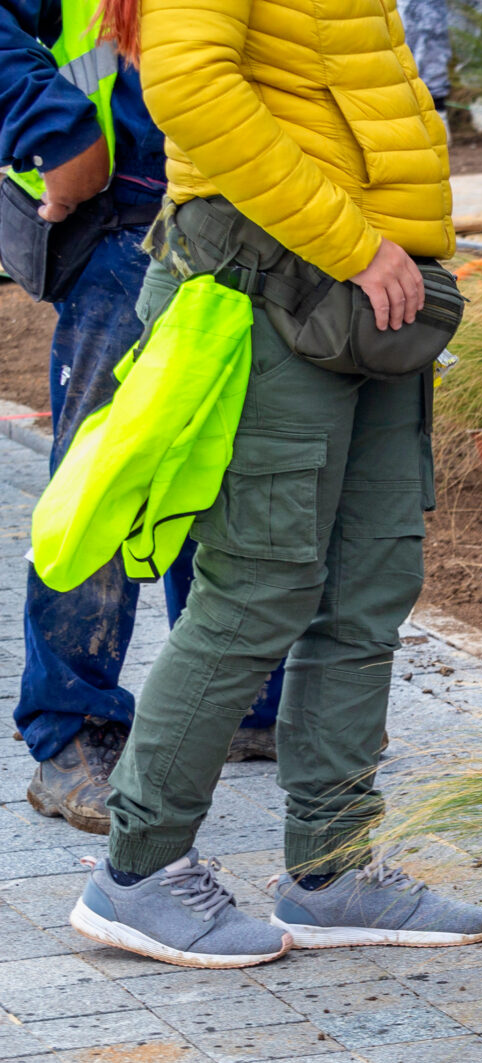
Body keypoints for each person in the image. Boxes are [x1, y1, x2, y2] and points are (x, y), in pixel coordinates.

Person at [65, 0, 482, 969]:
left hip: (369, 296)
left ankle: (332, 867)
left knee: (370, 578)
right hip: (285, 281)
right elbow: (190, 86)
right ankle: (139, 870)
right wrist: (358, 243)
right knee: (258, 584)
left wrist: (390, 246)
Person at [0, 0, 281, 834]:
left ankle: (239, 699)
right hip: (126, 218)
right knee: (108, 475)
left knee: (235, 455)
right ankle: (73, 732)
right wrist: (54, 130)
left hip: (254, 207)